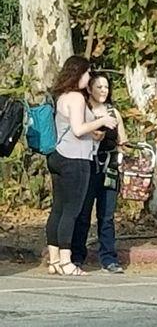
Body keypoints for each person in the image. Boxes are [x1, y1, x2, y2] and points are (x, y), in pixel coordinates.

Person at [46, 56, 117, 276]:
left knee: (57, 208)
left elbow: (76, 129)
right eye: (87, 74)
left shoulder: (62, 96)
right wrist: (102, 121)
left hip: (58, 155)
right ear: (78, 74)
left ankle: (54, 259)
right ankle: (67, 261)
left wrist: (94, 133)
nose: (89, 78)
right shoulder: (76, 97)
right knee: (72, 210)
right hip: (75, 159)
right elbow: (78, 129)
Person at [71, 73, 127, 273]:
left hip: (110, 166)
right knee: (83, 213)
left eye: (106, 87)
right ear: (90, 89)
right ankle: (76, 255)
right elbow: (85, 134)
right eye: (99, 87)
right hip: (88, 165)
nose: (103, 91)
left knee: (107, 215)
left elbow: (122, 140)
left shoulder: (114, 112)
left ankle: (109, 258)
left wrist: (124, 155)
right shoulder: (84, 111)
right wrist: (97, 127)